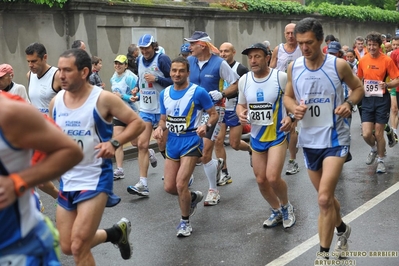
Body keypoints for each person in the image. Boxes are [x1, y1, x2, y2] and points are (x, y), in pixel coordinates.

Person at [50, 48, 145, 265]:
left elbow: (137, 123)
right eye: (59, 70)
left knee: (78, 246)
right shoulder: (56, 103)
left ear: (84, 72)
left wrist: (115, 142)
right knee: (66, 245)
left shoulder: (103, 99)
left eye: (67, 70)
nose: (61, 75)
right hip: (68, 179)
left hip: (95, 178)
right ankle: (114, 234)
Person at [283, 17, 364, 261]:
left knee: (323, 199)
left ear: (320, 41)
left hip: (335, 139)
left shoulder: (337, 65)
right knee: (326, 199)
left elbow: (358, 88)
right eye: (300, 43)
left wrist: (349, 103)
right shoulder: (293, 67)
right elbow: (288, 97)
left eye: (309, 43)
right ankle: (342, 228)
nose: (304, 48)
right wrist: (293, 109)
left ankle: (323, 255)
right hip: (309, 141)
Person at [0, 90, 83, 266]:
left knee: (73, 245)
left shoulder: (9, 111)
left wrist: (20, 181)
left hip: (19, 250)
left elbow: (70, 151)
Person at [153, 57, 218, 237]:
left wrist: (205, 125)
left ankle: (185, 222)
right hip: (172, 141)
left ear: (188, 73)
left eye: (181, 70)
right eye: (174, 70)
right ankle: (193, 197)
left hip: (191, 140)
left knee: (181, 183)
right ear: (170, 72)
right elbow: (164, 119)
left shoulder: (198, 92)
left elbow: (213, 115)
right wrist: (159, 128)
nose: (177, 74)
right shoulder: (164, 93)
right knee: (169, 187)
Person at [236, 42, 296, 229]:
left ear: (267, 57)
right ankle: (276, 210)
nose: (253, 61)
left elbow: (294, 100)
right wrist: (240, 113)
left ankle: (287, 206)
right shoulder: (244, 80)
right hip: (256, 136)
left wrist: (292, 118)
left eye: (257, 56)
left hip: (277, 135)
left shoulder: (281, 77)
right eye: (250, 57)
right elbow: (241, 104)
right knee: (261, 180)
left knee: (272, 177)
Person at [184, 31, 239, 205]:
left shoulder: (219, 63)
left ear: (202, 45)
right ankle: (216, 164)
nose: (189, 47)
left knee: (206, 151)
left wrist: (221, 93)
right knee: (198, 155)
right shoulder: (189, 61)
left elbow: (236, 83)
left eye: (192, 44)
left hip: (214, 112)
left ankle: (213, 191)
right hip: (193, 112)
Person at [127, 34, 173, 197]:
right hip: (146, 109)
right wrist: (137, 91)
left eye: (147, 47)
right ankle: (143, 184)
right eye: (142, 48)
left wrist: (157, 78)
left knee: (163, 144)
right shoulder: (139, 60)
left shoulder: (162, 59)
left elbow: (174, 81)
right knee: (142, 145)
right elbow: (141, 80)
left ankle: (177, 171)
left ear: (153, 46)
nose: (144, 51)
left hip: (162, 109)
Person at [357, 31, 399, 173]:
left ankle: (381, 160)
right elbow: (359, 79)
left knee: (379, 133)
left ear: (379, 46)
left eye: (374, 45)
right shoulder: (363, 60)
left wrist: (387, 85)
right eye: (369, 45)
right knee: (367, 133)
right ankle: (374, 149)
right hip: (367, 99)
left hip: (382, 100)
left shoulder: (386, 60)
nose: (371, 47)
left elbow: (397, 79)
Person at [214, 42, 250, 185]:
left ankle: (249, 148)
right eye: (221, 51)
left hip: (235, 109)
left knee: (234, 144)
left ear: (233, 52)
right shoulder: (217, 67)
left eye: (226, 51)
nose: (223, 54)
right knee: (218, 140)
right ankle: (224, 172)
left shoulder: (241, 69)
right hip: (221, 109)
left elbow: (248, 89)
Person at [269, 22, 303, 175]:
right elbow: (271, 68)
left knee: (292, 128)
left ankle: (292, 160)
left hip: (294, 93)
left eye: (293, 33)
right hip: (277, 92)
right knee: (274, 124)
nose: (290, 36)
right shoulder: (278, 49)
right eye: (288, 33)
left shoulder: (302, 49)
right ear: (284, 34)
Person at [25, 42, 62, 115]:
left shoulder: (57, 75)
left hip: (53, 124)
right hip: (36, 124)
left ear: (44, 57)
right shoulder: (29, 75)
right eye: (28, 61)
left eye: (34, 61)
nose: (30, 65)